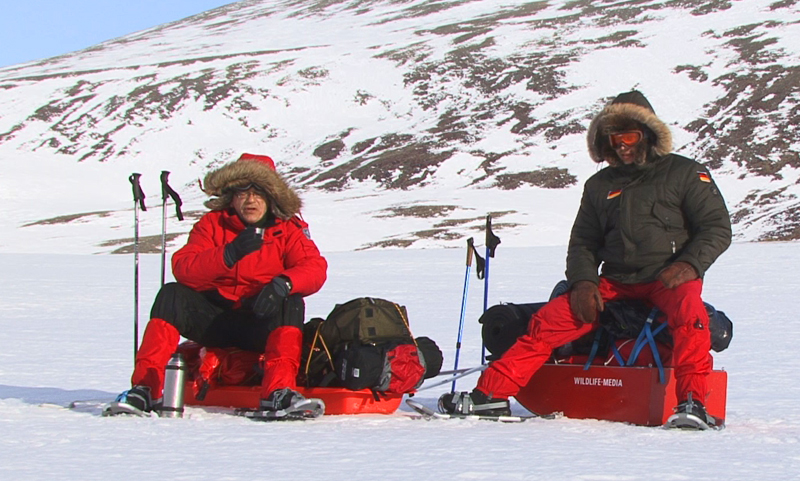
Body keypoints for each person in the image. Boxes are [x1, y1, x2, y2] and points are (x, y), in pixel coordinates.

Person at [440, 90, 732, 428]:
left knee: (691, 319)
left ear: (648, 134)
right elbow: (583, 242)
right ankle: (490, 396)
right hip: (614, 282)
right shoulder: (599, 185)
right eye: (613, 138)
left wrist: (689, 265)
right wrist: (583, 283)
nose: (621, 145)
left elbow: (716, 227)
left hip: (669, 278)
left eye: (629, 136)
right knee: (547, 322)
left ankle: (692, 404)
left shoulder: (684, 173)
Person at [115, 153, 328, 414]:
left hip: (260, 323)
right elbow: (184, 268)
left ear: (272, 196)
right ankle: (145, 389)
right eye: (243, 192)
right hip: (214, 321)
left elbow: (315, 268)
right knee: (172, 295)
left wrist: (284, 283)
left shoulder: (288, 229)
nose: (250, 200)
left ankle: (277, 393)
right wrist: (227, 254)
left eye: (258, 192)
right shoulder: (212, 225)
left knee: (291, 302)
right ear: (231, 195)